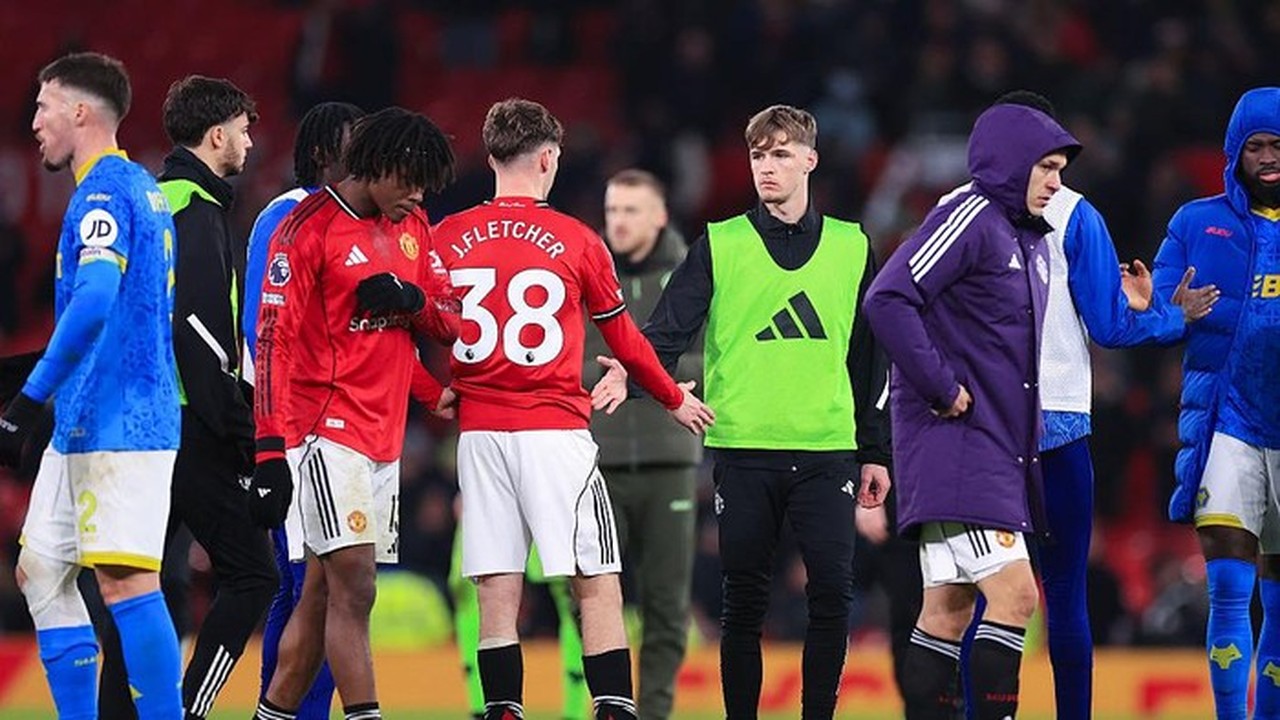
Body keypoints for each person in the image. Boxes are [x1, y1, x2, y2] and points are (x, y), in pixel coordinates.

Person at [432, 97, 713, 720]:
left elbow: (408, 322)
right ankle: (613, 710)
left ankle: (503, 710)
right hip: (555, 432)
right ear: (549, 158)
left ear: (492, 155)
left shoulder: (444, 238)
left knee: (497, 591)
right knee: (597, 583)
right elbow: (628, 343)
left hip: (479, 437)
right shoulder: (576, 239)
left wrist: (436, 390)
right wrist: (672, 398)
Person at [951, 91, 1218, 720]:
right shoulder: (1077, 216)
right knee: (1064, 595)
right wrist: (1167, 317)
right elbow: (1110, 326)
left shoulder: (951, 211)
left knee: (975, 596)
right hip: (1059, 426)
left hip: (978, 427)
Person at [640, 104, 892, 720]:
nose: (767, 167)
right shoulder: (720, 245)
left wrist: (876, 450)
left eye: (781, 154)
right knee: (743, 603)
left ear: (810, 160)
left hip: (826, 448)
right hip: (745, 450)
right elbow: (660, 337)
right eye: (757, 155)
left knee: (832, 596)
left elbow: (872, 361)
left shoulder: (853, 246)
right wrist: (671, 393)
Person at [863, 103, 1080, 719]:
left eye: (1059, 169)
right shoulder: (970, 216)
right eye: (1046, 166)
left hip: (994, 447)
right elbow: (889, 297)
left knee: (947, 611)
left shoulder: (1028, 239)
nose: (1055, 182)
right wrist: (940, 386)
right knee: (1015, 596)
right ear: (1011, 163)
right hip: (959, 443)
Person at [252, 106, 460, 720]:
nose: (418, 195)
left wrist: (412, 299)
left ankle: (272, 714)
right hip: (323, 431)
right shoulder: (304, 230)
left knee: (320, 596)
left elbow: (449, 320)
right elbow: (271, 344)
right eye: (411, 180)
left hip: (383, 435)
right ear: (377, 165)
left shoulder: (413, 224)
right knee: (357, 585)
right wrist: (268, 449)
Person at [0, 51, 184, 718]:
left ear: (80, 111)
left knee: (127, 582)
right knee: (41, 572)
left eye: (43, 107)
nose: (35, 123)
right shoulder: (133, 189)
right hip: (88, 421)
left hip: (123, 421)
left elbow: (98, 295)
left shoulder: (106, 191)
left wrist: (29, 397)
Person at [1153, 86, 1280, 719]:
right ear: (1235, 153)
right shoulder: (1194, 223)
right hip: (1227, 423)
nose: (1267, 158)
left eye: (1277, 145)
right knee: (1229, 589)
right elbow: (1148, 303)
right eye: (1254, 146)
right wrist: (1169, 310)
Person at [243, 100, 365, 720]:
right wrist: (273, 435)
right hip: (293, 428)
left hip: (342, 428)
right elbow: (258, 329)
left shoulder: (352, 226)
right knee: (302, 586)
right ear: (322, 153)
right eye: (354, 142)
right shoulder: (287, 216)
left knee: (327, 585)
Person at [579, 168, 701, 720]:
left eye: (631, 211)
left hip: (668, 464)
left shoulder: (691, 277)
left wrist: (634, 374)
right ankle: (606, 709)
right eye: (611, 211)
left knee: (666, 608)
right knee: (589, 601)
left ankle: (652, 713)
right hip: (595, 464)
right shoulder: (582, 276)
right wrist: (655, 377)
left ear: (659, 216)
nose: (618, 222)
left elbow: (711, 363)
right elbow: (560, 360)